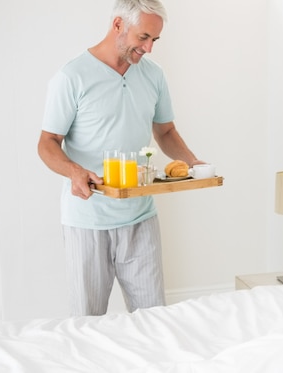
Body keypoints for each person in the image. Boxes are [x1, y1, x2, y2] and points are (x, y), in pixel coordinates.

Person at [37, 0, 204, 316]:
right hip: (88, 220)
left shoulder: (153, 76)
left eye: (154, 40)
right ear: (117, 25)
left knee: (154, 319)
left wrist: (194, 163)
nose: (149, 48)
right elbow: (47, 143)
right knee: (88, 321)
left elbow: (165, 131)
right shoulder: (72, 77)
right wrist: (74, 171)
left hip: (141, 217)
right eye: (143, 37)